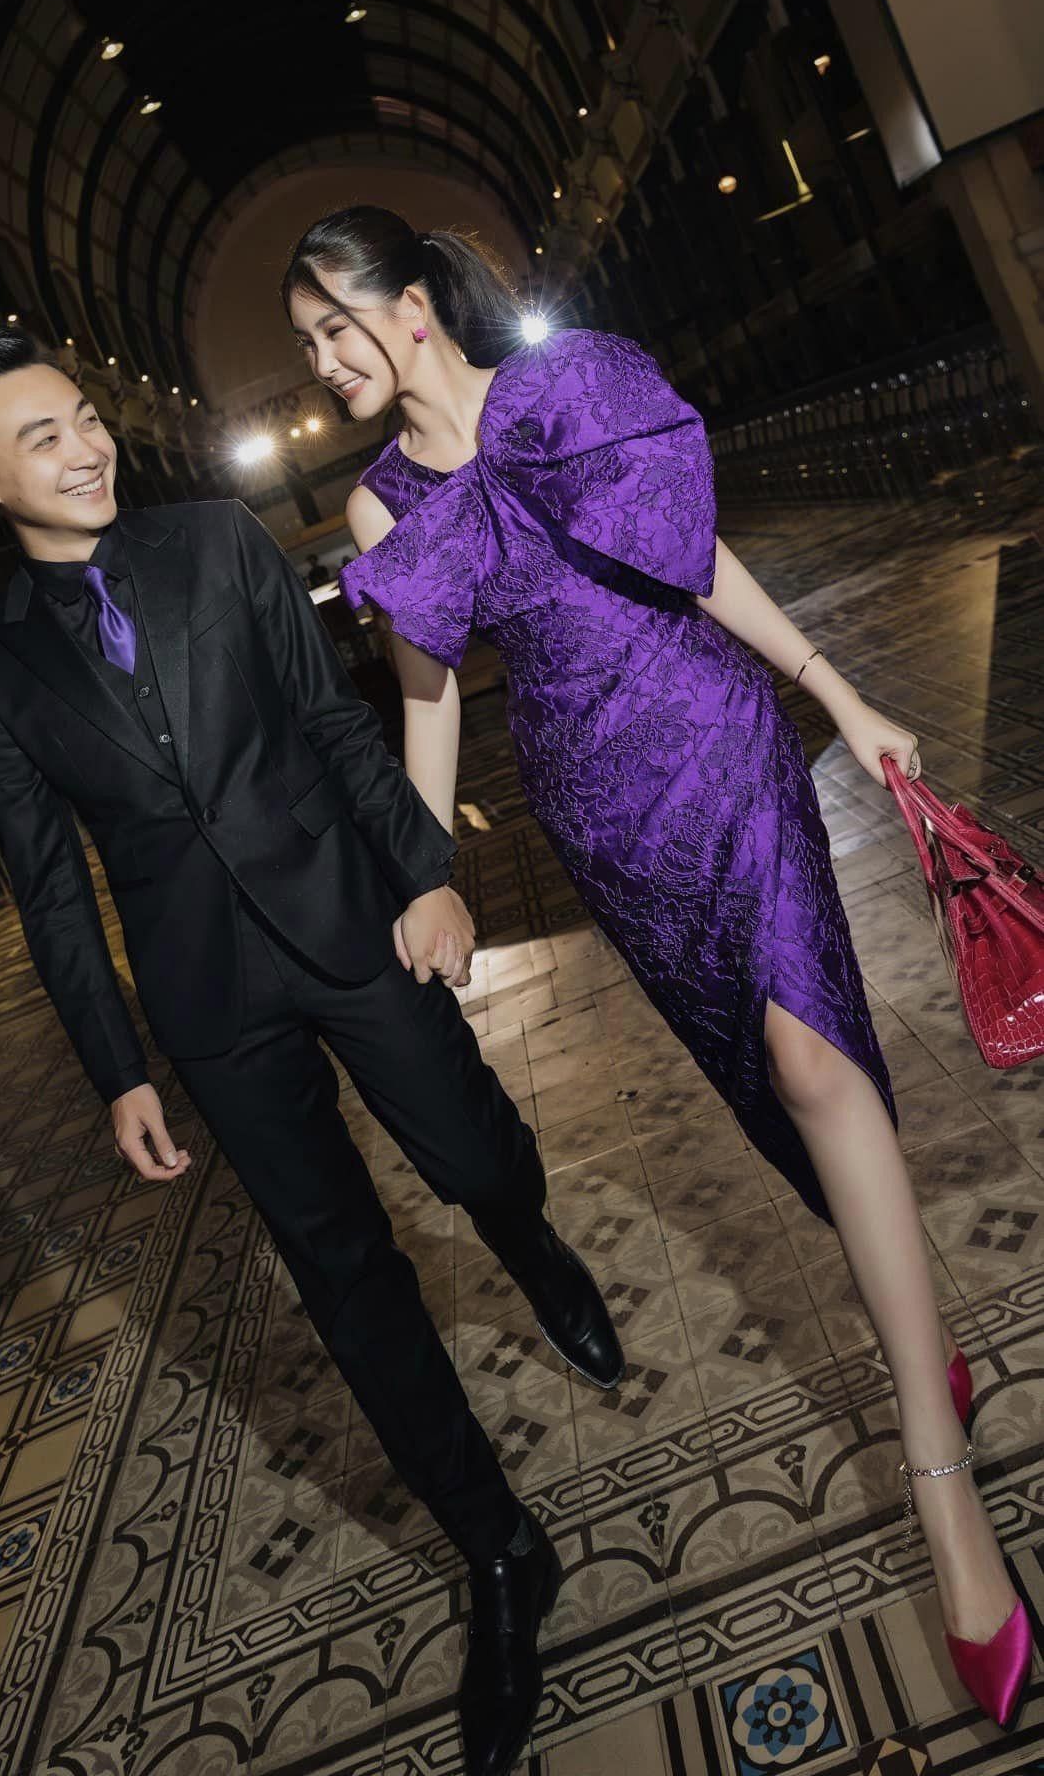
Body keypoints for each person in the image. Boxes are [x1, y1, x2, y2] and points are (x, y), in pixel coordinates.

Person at [281, 206, 1032, 1733]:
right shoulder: (376, 504)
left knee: (813, 1059)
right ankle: (924, 1342)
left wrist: (838, 696)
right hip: (598, 810)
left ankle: (937, 1476)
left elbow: (693, 565)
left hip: (713, 735)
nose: (323, 362)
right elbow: (427, 698)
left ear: (411, 306)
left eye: (333, 327)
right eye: (305, 344)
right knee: (767, 1087)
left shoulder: (570, 387)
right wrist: (426, 875)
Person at [0, 326, 625, 1776]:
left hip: (350, 914)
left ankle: (530, 1242)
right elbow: (52, 892)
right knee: (342, 1273)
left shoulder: (216, 541)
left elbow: (329, 718)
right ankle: (498, 1548)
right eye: (41, 438)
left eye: (83, 417)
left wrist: (424, 871)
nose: (85, 447)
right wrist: (119, 1067)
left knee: (474, 1153)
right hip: (208, 1001)